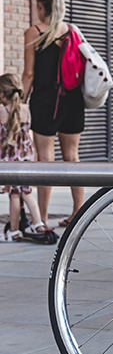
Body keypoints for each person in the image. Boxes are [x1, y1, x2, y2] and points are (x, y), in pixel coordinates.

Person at [21, 0, 85, 228]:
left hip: (46, 101)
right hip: (73, 100)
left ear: (40, 7)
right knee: (72, 157)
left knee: (45, 159)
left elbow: (28, 74)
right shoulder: (71, 31)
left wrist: (21, 101)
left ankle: (44, 219)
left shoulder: (34, 32)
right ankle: (78, 213)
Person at [0, 74, 48, 241]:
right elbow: (29, 136)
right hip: (26, 158)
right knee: (27, 193)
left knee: (14, 195)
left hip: (11, 160)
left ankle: (13, 231)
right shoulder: (26, 110)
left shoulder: (2, 112)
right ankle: (38, 224)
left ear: (1, 94)